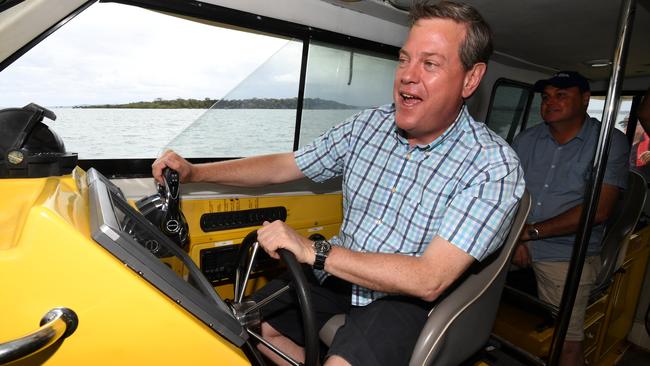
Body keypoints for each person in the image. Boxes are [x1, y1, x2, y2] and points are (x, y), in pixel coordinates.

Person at [153, 1, 525, 365]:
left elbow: (429, 278)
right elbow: (285, 165)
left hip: (405, 299)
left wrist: (315, 252)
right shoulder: (367, 126)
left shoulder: (493, 166)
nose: (408, 76)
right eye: (404, 59)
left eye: (429, 64)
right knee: (244, 323)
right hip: (335, 275)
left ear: (471, 79)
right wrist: (195, 172)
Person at [511, 71, 629, 366]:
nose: (550, 102)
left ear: (586, 99)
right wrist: (514, 235)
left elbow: (598, 210)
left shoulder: (608, 142)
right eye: (546, 97)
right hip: (515, 239)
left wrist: (529, 233)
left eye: (561, 95)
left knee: (566, 342)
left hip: (565, 253)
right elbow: (505, 194)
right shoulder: (526, 140)